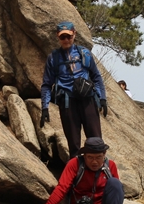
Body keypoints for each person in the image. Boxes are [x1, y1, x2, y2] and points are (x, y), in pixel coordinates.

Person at [40, 21, 107, 159]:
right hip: (68, 103)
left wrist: (102, 99)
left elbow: (96, 77)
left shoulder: (84, 53)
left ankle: (100, 170)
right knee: (74, 144)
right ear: (57, 36)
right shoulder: (53, 58)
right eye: (62, 37)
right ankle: (78, 171)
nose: (66, 40)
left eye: (68, 36)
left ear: (74, 34)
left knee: (96, 142)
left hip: (88, 100)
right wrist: (44, 107)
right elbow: (46, 84)